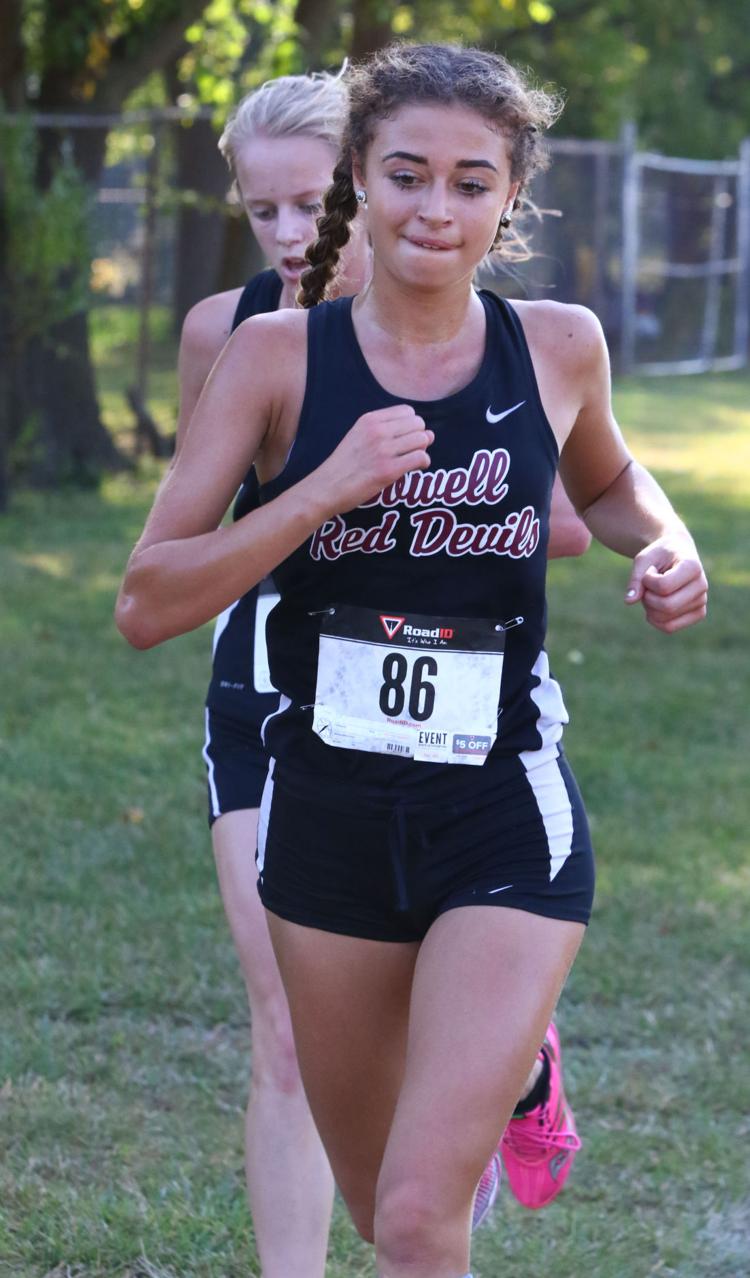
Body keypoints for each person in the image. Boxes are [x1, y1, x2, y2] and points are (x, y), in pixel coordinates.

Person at [116, 43, 708, 1277]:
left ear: (509, 196)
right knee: (383, 1207)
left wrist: (663, 542)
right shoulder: (275, 358)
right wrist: (319, 490)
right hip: (325, 812)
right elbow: (146, 600)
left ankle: (501, 1051)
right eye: (407, 175)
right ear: (362, 186)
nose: (437, 209)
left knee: (425, 1213)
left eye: (472, 182)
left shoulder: (558, 346)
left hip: (502, 805)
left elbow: (607, 481)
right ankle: (494, 1068)